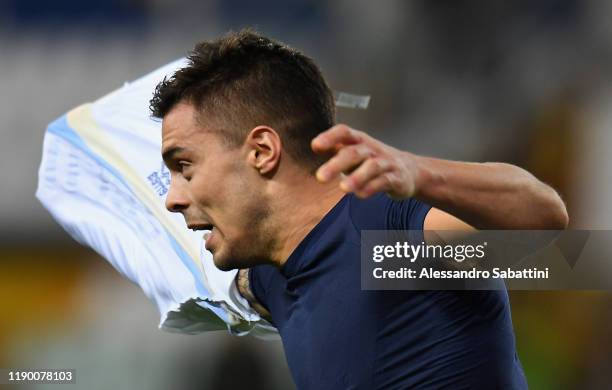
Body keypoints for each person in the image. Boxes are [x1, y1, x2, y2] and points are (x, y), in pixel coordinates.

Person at [150, 29, 568, 389]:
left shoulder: (394, 245)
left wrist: (421, 174)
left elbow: (546, 233)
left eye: (184, 166)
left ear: (262, 151)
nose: (173, 197)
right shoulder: (273, 278)